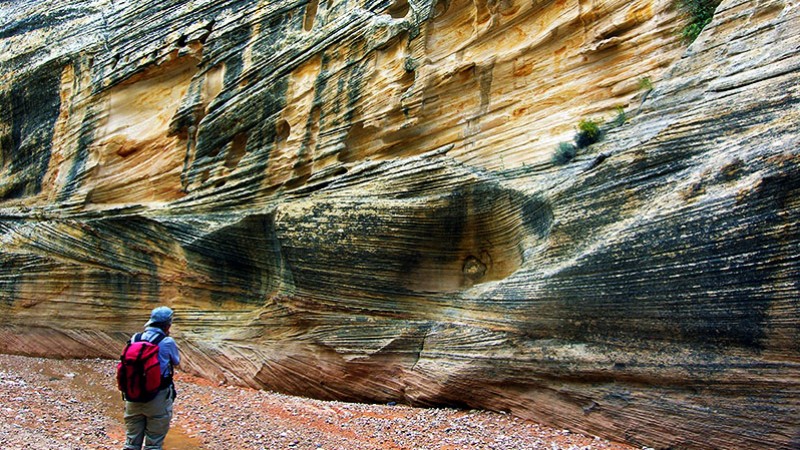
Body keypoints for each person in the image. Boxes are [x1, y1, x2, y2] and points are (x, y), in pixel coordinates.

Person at [123, 306, 181, 450]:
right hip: (158, 396)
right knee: (154, 443)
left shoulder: (135, 338)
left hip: (133, 394)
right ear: (168, 325)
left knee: (131, 442)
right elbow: (176, 361)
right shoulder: (167, 342)